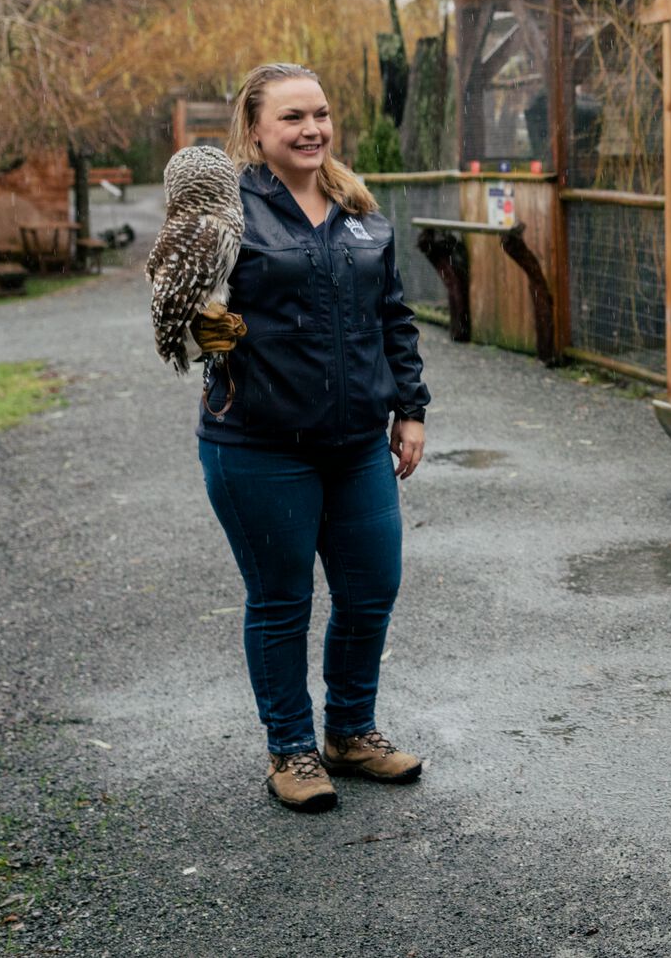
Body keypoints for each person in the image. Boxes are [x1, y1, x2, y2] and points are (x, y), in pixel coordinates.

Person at [194, 62, 432, 813]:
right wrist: (207, 330)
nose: (311, 129)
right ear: (256, 129)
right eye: (292, 117)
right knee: (281, 600)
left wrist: (410, 407)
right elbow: (182, 309)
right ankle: (291, 748)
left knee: (371, 591)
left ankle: (351, 732)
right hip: (257, 445)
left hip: (357, 442)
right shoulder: (227, 210)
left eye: (320, 114)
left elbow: (393, 314)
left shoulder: (357, 203)